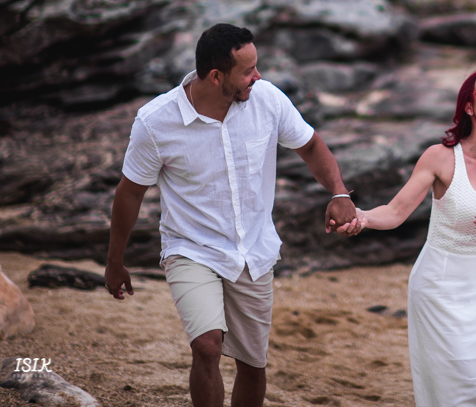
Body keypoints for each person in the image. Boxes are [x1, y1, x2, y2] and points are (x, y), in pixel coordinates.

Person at [104, 23, 360, 407]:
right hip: (191, 248)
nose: (257, 77)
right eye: (247, 71)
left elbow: (311, 146)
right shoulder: (155, 122)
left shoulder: (268, 99)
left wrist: (339, 192)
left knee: (253, 365)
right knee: (207, 346)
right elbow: (130, 194)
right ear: (216, 76)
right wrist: (114, 261)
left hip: (254, 251)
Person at [345, 66, 476, 407]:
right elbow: (395, 211)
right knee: (456, 396)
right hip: (440, 292)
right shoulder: (441, 158)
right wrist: (360, 218)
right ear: (468, 106)